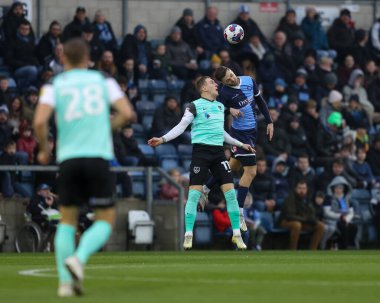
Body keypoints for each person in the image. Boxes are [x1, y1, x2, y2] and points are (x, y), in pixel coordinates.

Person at [33, 38, 134, 297]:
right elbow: (127, 113)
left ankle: (65, 285)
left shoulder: (54, 84)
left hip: (69, 159)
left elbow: (40, 121)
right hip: (98, 157)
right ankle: (80, 257)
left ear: (63, 58)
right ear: (88, 58)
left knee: (67, 221)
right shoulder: (104, 81)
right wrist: (105, 127)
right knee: (105, 220)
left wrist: (44, 149)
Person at [148, 76, 255, 250]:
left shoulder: (220, 106)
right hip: (201, 154)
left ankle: (236, 234)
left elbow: (222, 134)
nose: (216, 84)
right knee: (194, 195)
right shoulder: (194, 106)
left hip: (219, 154)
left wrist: (241, 144)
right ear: (203, 88)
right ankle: (188, 235)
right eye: (212, 82)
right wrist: (162, 139)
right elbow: (181, 127)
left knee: (230, 194)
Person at [209, 66, 273, 229]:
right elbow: (216, 111)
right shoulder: (223, 92)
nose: (230, 79)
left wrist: (269, 121)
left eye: (230, 75)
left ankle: (205, 187)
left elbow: (260, 101)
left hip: (252, 132)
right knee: (251, 171)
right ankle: (238, 211)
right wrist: (229, 109)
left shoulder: (249, 81)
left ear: (231, 71)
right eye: (226, 80)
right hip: (239, 135)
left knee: (233, 166)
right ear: (222, 83)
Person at [279, 179, 325, 250]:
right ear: (295, 189)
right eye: (299, 188)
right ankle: (292, 250)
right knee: (297, 225)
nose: (302, 190)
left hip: (302, 222)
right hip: (285, 221)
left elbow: (311, 212)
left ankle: (312, 250)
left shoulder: (307, 199)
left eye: (304, 188)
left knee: (320, 225)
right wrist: (306, 219)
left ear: (306, 189)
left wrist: (312, 219)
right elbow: (289, 215)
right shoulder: (290, 198)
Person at [325, 176, 358, 249]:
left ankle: (350, 244)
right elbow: (326, 213)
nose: (338, 190)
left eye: (340, 188)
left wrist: (347, 219)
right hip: (333, 220)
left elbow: (351, 212)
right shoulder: (328, 198)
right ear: (332, 188)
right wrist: (340, 216)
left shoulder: (347, 199)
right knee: (343, 228)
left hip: (345, 220)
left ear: (344, 189)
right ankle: (344, 245)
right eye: (336, 188)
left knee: (354, 227)